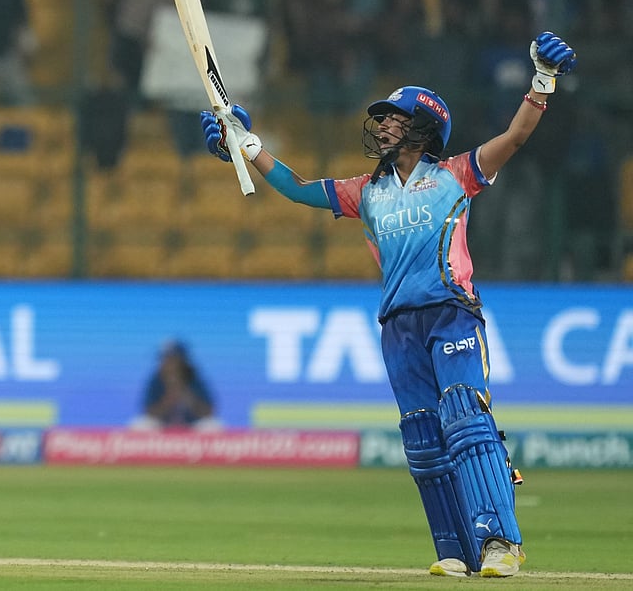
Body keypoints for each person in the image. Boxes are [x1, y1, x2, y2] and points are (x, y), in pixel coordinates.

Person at [200, 31, 577, 578]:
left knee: (467, 422)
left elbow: (515, 137)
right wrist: (245, 143)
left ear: (424, 131)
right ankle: (456, 550)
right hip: (397, 325)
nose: (382, 126)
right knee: (423, 438)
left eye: (395, 119)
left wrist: (542, 79)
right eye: (382, 118)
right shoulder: (366, 190)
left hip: (451, 312)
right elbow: (299, 187)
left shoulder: (455, 175)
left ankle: (499, 542)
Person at [129, 340, 221, 432]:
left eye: (171, 358)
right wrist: (169, 399)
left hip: (192, 425)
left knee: (213, 426)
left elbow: (209, 412)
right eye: (164, 358)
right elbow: (148, 412)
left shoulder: (194, 377)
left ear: (183, 360)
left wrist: (186, 395)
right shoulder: (156, 378)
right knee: (140, 425)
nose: (167, 363)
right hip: (162, 426)